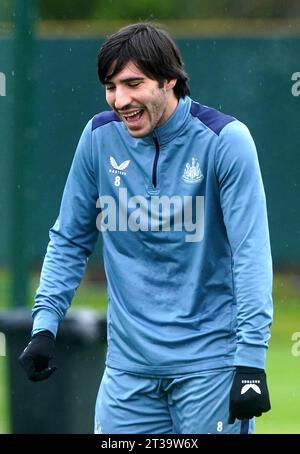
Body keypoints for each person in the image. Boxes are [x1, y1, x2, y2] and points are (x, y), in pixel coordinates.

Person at [19, 22, 273, 434]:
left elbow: (251, 255)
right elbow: (68, 240)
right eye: (110, 86)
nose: (120, 100)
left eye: (132, 83)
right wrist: (44, 326)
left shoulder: (226, 141)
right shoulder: (98, 138)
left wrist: (250, 361)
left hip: (209, 367)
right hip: (128, 373)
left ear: (169, 78)